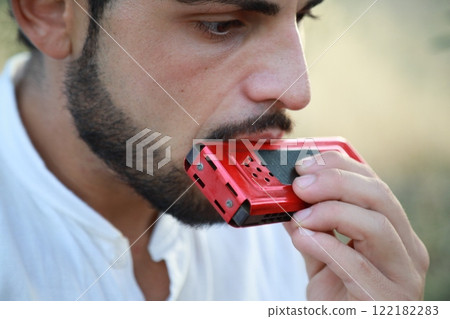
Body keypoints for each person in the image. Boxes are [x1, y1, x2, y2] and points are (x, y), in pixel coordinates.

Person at [0, 0, 429, 300]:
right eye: (221, 23)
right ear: (52, 12)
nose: (297, 91)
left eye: (301, 16)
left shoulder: (311, 242)